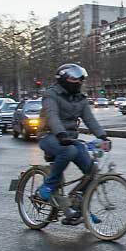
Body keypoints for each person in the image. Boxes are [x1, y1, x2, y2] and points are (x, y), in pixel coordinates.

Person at [36, 64, 110, 225]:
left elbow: (90, 119)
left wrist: (102, 136)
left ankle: (79, 207)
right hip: (48, 135)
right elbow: (52, 116)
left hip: (69, 138)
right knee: (69, 151)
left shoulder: (80, 99)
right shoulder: (51, 95)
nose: (77, 82)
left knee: (92, 170)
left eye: (80, 79)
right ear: (63, 79)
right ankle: (47, 188)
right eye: (73, 79)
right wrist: (61, 134)